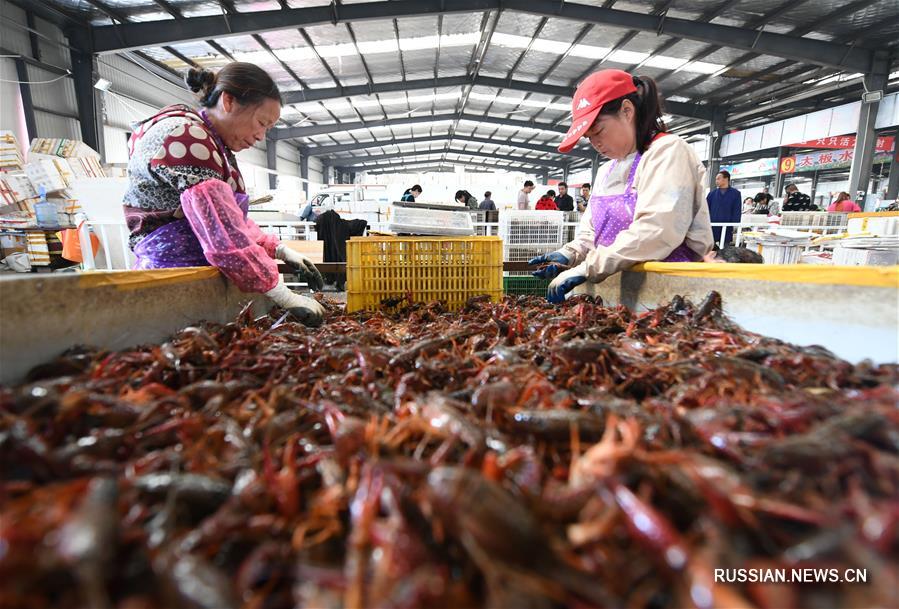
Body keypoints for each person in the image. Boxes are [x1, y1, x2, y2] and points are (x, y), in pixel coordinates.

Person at [122, 63, 324, 326]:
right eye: (261, 123)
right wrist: (282, 294)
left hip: (195, 276)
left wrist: (279, 250)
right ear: (228, 101)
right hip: (172, 279)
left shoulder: (213, 143)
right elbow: (223, 235)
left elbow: (229, 219)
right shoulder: (187, 137)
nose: (261, 136)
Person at [528, 69, 713, 303]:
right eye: (589, 137)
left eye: (598, 131)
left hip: (664, 294)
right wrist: (569, 254)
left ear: (627, 111)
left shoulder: (667, 152)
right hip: (612, 292)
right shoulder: (607, 171)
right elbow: (591, 233)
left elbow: (655, 232)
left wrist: (588, 268)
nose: (595, 143)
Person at [706, 170, 741, 245]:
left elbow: (737, 209)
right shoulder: (712, 194)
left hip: (727, 225)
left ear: (726, 179)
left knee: (725, 249)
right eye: (716, 179)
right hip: (713, 225)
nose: (716, 181)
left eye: (718, 178)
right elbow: (706, 209)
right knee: (710, 249)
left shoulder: (736, 194)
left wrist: (735, 224)